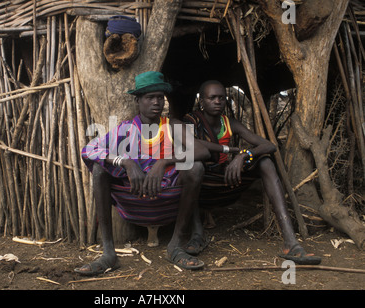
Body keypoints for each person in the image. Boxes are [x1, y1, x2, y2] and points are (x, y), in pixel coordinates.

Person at [75, 71, 211, 276]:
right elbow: (90, 149)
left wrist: (164, 162)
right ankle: (108, 253)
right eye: (149, 97)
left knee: (196, 167)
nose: (156, 102)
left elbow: (202, 151)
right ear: (138, 101)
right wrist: (127, 162)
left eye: (159, 97)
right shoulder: (126, 129)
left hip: (168, 197)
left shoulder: (171, 125)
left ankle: (175, 246)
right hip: (133, 198)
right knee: (99, 169)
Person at [182, 80, 321, 265]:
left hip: (225, 181)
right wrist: (229, 151)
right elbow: (187, 149)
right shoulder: (189, 121)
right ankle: (197, 233)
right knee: (188, 166)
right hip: (200, 183)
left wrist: (242, 155)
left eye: (221, 98)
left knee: (265, 161)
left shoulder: (229, 122)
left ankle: (291, 243)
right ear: (202, 101)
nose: (217, 101)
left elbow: (269, 145)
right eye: (212, 98)